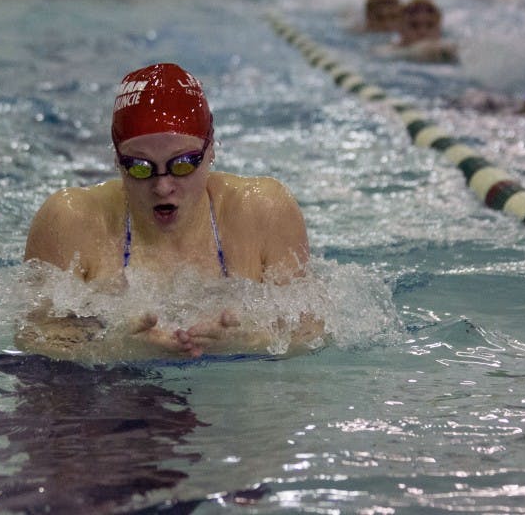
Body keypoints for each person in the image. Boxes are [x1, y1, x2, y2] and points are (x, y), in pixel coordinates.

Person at [19, 63, 323, 361]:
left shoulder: (264, 211)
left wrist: (253, 341)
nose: (163, 186)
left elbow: (313, 330)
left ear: (211, 148)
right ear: (117, 158)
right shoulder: (72, 219)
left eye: (183, 164)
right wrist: (115, 348)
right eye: (140, 167)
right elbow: (33, 338)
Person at [375, 0, 458, 63]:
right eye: (414, 25)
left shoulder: (448, 49)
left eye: (430, 25)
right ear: (400, 29)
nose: (422, 32)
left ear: (439, 28)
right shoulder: (386, 51)